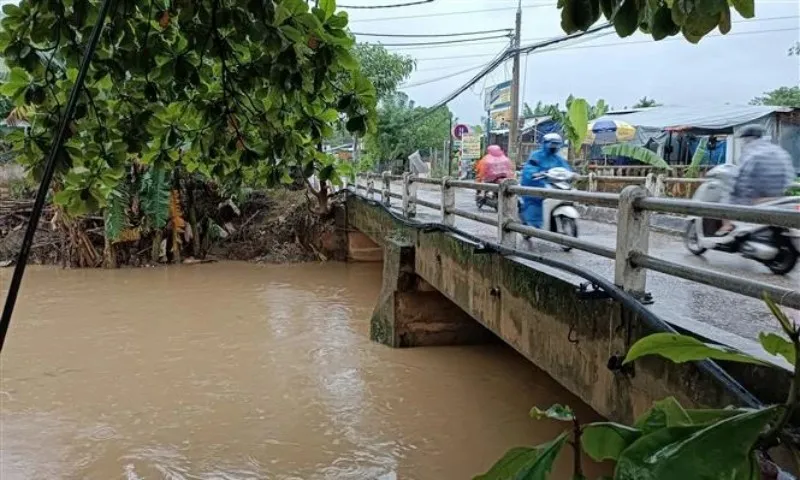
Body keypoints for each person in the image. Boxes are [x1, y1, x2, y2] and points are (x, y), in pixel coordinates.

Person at [717, 125, 795, 235]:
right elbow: (789, 175)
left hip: (754, 198)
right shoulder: (777, 150)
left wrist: (732, 190)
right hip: (777, 196)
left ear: (747, 138)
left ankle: (727, 226)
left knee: (726, 198)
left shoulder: (751, 152)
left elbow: (741, 177)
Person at [520, 133, 572, 228]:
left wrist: (572, 175)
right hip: (535, 184)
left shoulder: (558, 158)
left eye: (557, 144)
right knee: (534, 204)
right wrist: (534, 173)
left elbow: (566, 168)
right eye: (552, 144)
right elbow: (530, 168)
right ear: (545, 143)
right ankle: (532, 224)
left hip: (553, 185)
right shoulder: (536, 155)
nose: (554, 147)